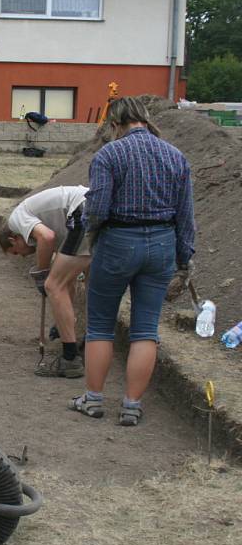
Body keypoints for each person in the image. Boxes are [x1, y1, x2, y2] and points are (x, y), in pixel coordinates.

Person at [71, 97, 195, 426]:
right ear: (145, 119)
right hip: (162, 247)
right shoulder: (176, 157)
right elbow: (186, 217)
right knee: (145, 330)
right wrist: (184, 258)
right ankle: (132, 405)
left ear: (115, 124)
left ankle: (94, 400)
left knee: (99, 325)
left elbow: (97, 208)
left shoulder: (108, 155)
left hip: (117, 243)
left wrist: (90, 234)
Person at [0, 185, 92, 377]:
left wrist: (42, 273)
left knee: (52, 285)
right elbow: (68, 281)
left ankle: (70, 360)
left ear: (13, 239)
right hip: (98, 206)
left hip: (83, 209)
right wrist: (62, 322)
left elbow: (46, 237)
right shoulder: (51, 222)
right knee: (89, 282)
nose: (23, 257)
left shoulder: (17, 219)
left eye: (16, 252)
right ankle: (91, 342)